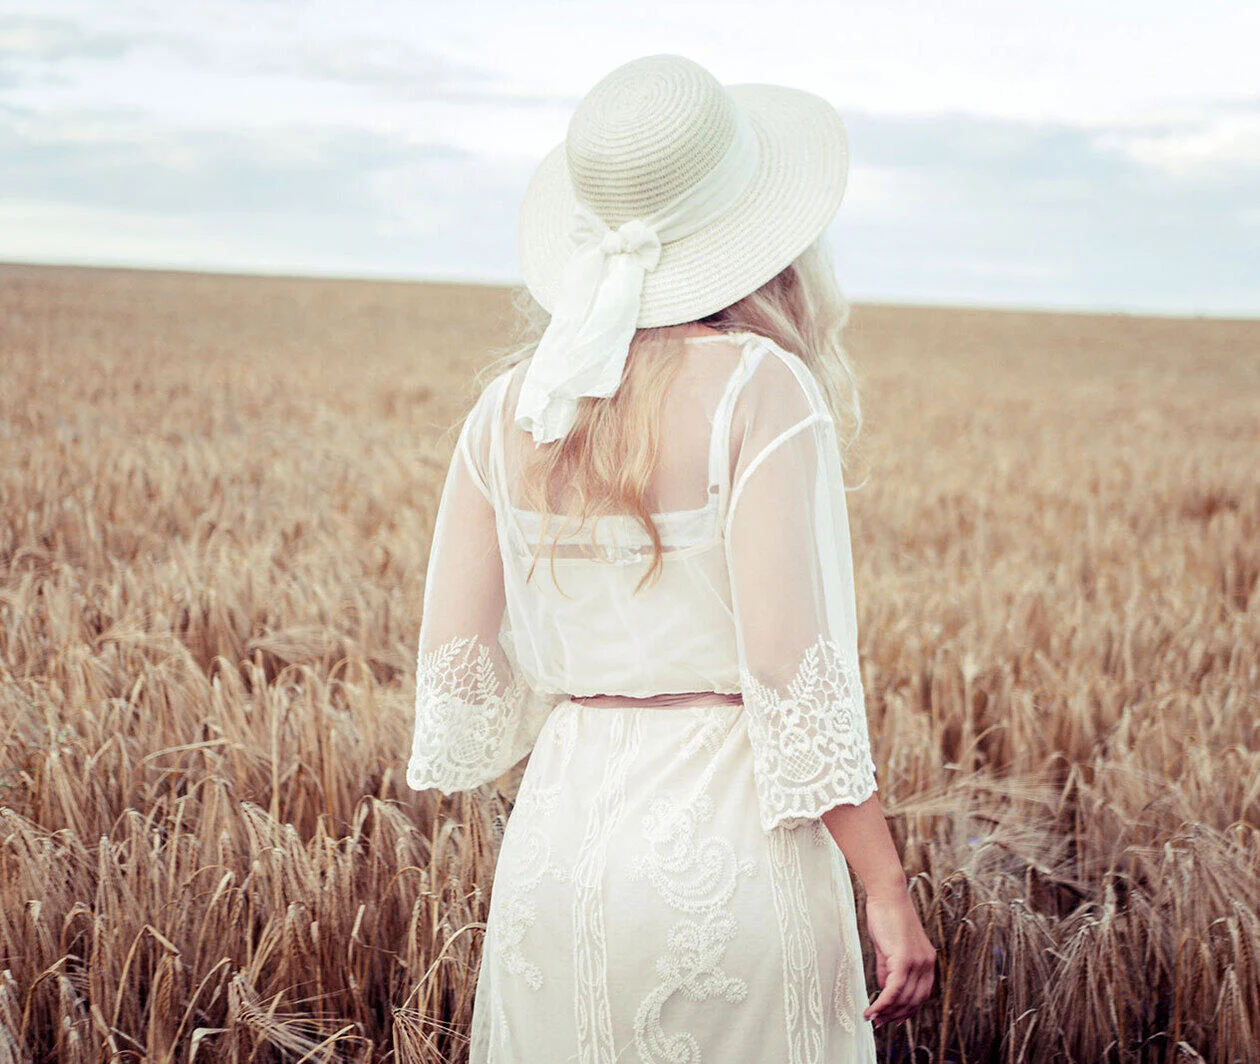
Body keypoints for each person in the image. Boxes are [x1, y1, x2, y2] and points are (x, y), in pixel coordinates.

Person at [407, 52, 936, 1064]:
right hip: (734, 844)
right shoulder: (760, 389)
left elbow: (463, 671)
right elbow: (791, 671)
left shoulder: (509, 407)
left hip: (558, 847)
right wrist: (886, 886)